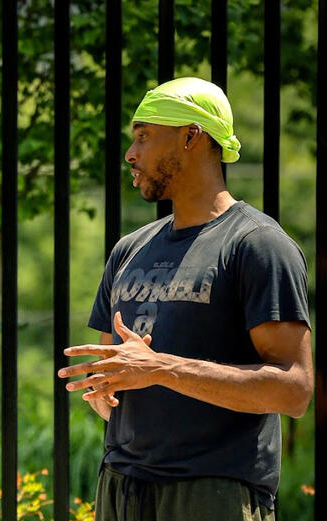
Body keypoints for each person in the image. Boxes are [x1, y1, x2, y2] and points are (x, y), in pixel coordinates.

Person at [57, 77, 312, 521]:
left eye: (143, 136)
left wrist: (162, 368)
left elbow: (295, 390)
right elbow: (116, 370)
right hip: (120, 487)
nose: (130, 153)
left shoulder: (257, 244)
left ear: (191, 136)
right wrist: (104, 389)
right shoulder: (129, 249)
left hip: (213, 493)